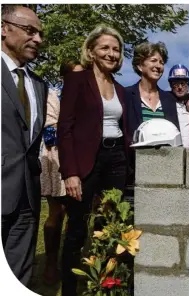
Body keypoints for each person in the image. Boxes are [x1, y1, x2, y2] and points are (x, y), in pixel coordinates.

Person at [57, 24, 129, 296]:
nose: (111, 53)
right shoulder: (77, 80)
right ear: (91, 51)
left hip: (116, 160)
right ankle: (69, 289)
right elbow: (65, 128)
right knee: (77, 228)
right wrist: (70, 172)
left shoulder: (121, 89)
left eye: (116, 49)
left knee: (109, 227)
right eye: (105, 48)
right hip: (86, 160)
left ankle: (104, 285)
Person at [1, 5, 47, 285]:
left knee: (18, 278)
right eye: (30, 31)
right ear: (4, 28)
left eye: (40, 33)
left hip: (27, 198)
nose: (38, 39)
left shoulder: (38, 84)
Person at [39, 59, 84, 285]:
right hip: (56, 157)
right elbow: (49, 129)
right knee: (56, 212)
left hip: (78, 159)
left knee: (76, 212)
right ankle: (50, 263)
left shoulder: (83, 97)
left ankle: (72, 261)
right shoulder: (53, 95)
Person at [125, 41, 180, 139]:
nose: (158, 66)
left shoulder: (169, 99)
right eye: (153, 60)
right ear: (140, 66)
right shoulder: (126, 95)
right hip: (136, 154)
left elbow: (175, 134)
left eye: (161, 62)